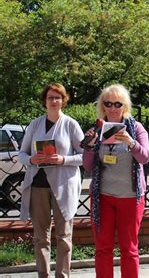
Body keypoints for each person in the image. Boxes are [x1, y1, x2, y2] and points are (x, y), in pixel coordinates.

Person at [82, 84, 149, 278]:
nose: (112, 108)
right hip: (102, 197)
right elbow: (87, 166)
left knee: (129, 249)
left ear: (125, 106)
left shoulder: (136, 129)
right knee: (103, 248)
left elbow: (145, 158)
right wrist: (89, 146)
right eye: (108, 103)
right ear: (102, 106)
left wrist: (131, 142)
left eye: (117, 103)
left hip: (130, 197)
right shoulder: (96, 129)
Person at [18, 83, 84, 278]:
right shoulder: (34, 124)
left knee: (64, 236)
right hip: (38, 186)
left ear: (63, 100)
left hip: (63, 186)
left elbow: (85, 156)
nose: (54, 101)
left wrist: (64, 159)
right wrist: (31, 159)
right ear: (44, 101)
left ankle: (62, 276)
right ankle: (43, 275)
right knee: (40, 237)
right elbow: (21, 153)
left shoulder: (71, 124)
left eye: (58, 97)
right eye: (50, 98)